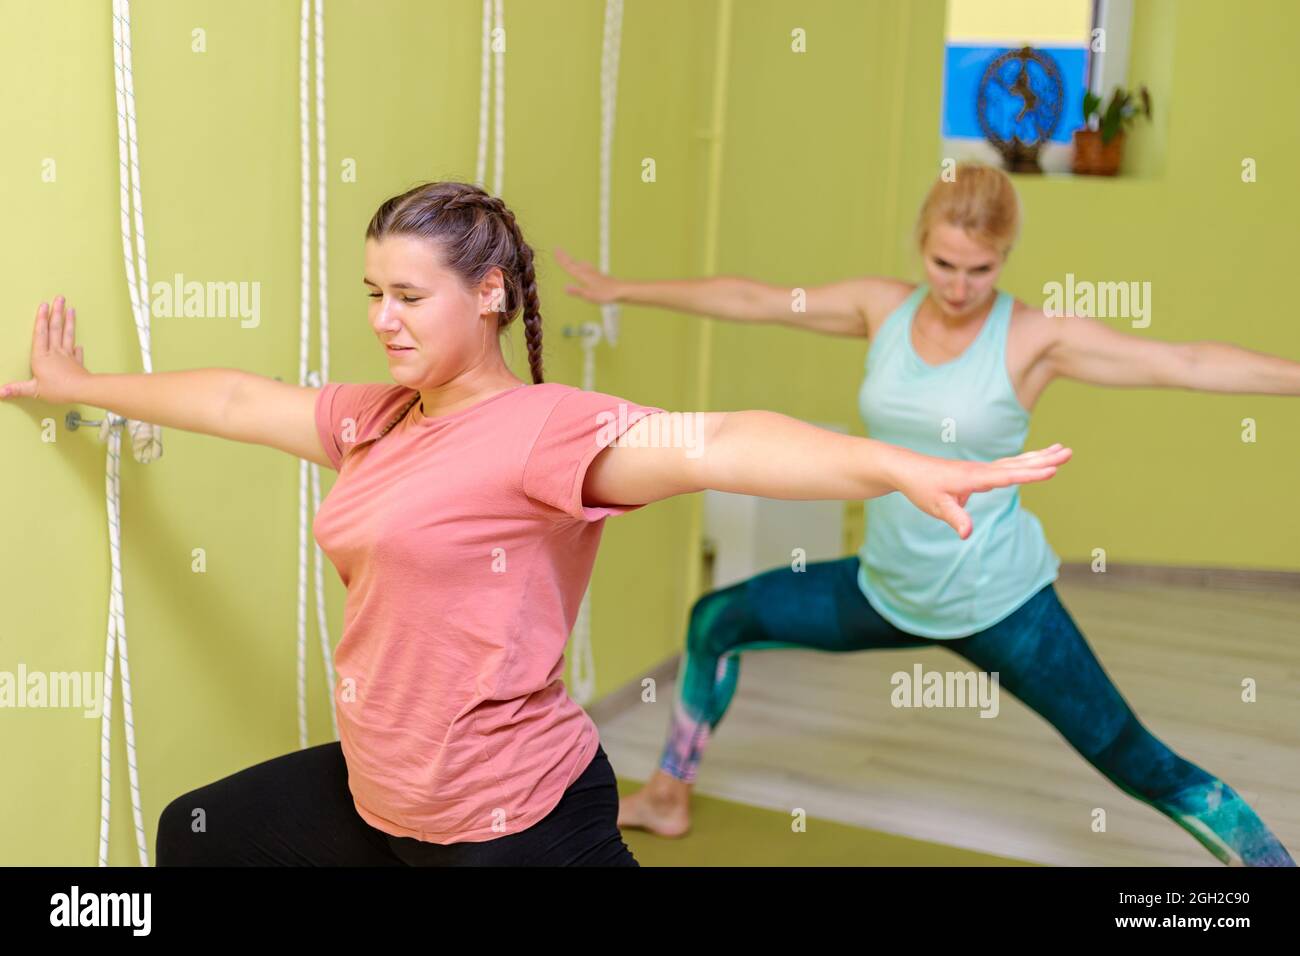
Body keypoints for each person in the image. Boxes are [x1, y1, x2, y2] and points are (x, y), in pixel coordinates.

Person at [2, 180, 1070, 866]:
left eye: (411, 296)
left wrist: (892, 463)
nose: (383, 318)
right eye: (374, 291)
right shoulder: (374, 420)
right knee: (200, 833)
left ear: (492, 295)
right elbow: (239, 400)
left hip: (514, 821)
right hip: (383, 799)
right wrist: (81, 381)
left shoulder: (550, 432)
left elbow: (723, 440)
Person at [557, 162, 1299, 866]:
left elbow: (1188, 362)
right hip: (886, 587)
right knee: (717, 620)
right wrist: (625, 289)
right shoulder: (880, 307)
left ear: (1005, 256)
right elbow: (755, 298)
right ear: (922, 245)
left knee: (1139, 760)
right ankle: (665, 794)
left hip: (999, 604)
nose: (960, 285)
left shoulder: (1037, 338)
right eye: (944, 264)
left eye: (982, 268)